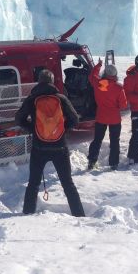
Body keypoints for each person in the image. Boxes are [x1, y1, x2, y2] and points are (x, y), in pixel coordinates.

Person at [15, 69, 85, 217]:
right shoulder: (61, 98)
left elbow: (18, 119)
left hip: (39, 148)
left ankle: (27, 215)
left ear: (39, 81)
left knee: (33, 184)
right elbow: (75, 119)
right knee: (68, 184)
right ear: (52, 82)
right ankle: (79, 215)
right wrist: (62, 130)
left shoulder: (32, 99)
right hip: (60, 147)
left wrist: (33, 128)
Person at [87, 59, 128, 170]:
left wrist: (99, 65)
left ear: (105, 73)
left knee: (97, 140)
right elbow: (123, 105)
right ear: (115, 75)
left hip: (101, 117)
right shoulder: (119, 88)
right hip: (115, 119)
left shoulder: (99, 84)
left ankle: (92, 161)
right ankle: (113, 164)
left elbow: (92, 75)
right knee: (115, 141)